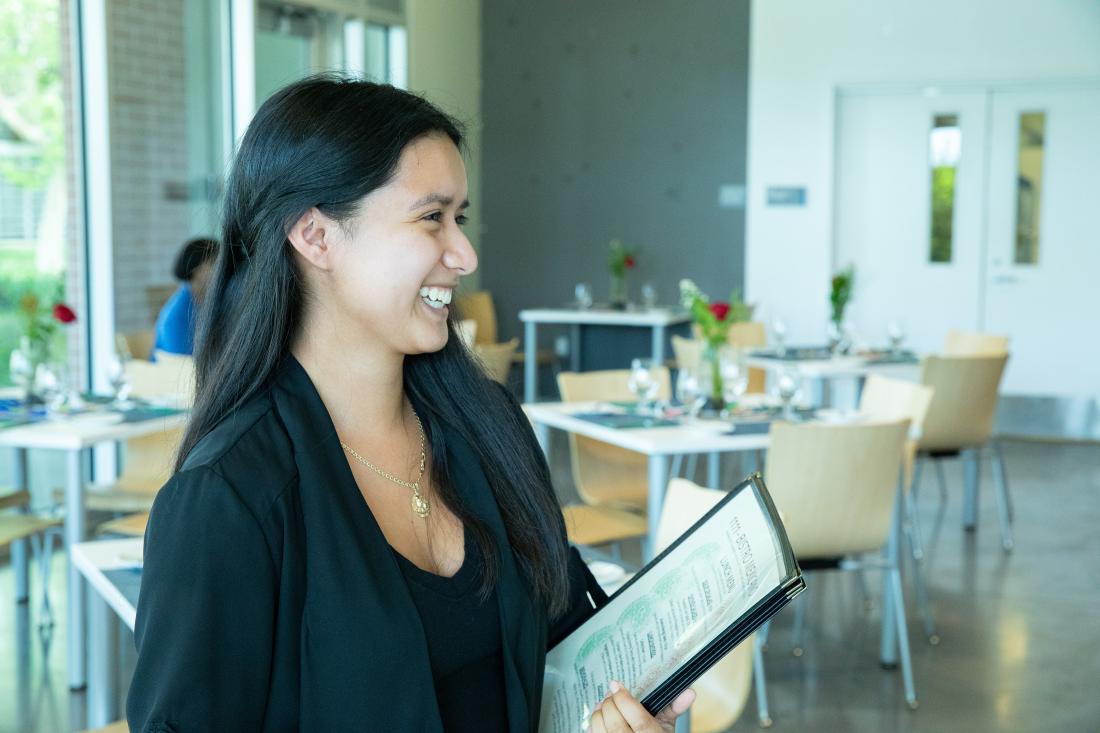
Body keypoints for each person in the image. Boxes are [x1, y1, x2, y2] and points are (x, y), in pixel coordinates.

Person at [126, 74, 694, 732]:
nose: (465, 252)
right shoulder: (228, 499)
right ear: (315, 236)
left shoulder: (488, 424)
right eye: (432, 217)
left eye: (461, 217)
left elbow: (561, 635)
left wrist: (632, 693)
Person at [152, 236, 218, 356]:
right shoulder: (176, 315)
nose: (222, 269)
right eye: (214, 262)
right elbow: (182, 364)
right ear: (197, 270)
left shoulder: (210, 303)